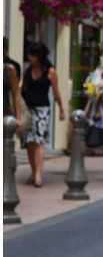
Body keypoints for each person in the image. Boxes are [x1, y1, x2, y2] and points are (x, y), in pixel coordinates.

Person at [21, 41, 66, 187]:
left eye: (32, 55)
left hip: (42, 110)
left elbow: (56, 92)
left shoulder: (50, 71)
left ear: (39, 56)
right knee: (29, 143)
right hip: (27, 109)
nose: (29, 57)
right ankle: (33, 173)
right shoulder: (27, 69)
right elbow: (21, 88)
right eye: (29, 54)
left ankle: (39, 175)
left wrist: (61, 109)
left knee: (39, 140)